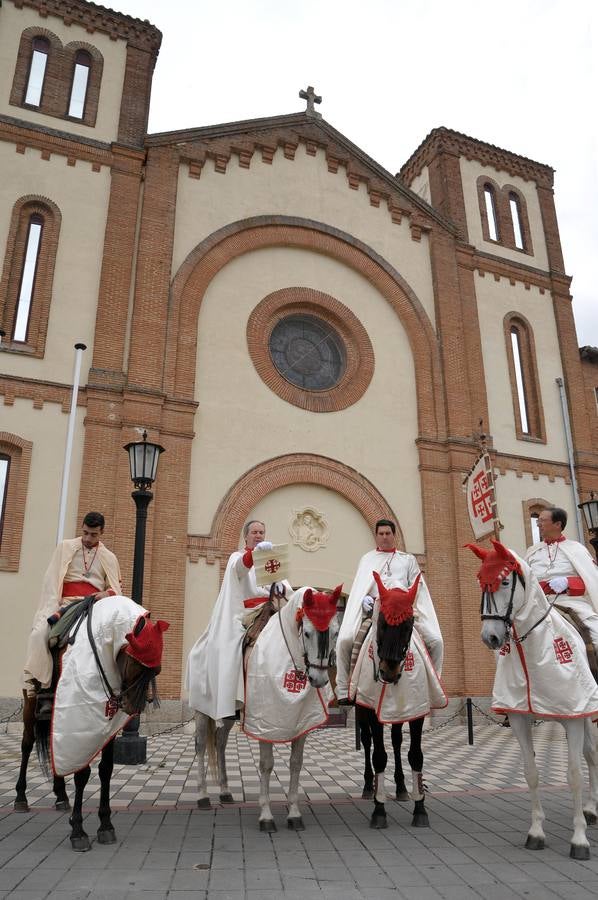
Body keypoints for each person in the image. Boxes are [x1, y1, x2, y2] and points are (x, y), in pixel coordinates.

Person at [186, 520, 290, 722]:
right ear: (246, 536)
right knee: (231, 647)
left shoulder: (271, 557)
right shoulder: (238, 556)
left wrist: (280, 589)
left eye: (262, 532)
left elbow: (285, 587)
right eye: (254, 532)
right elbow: (239, 569)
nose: (258, 535)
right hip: (246, 613)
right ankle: (232, 698)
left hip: (272, 609)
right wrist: (253, 555)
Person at [336, 519, 444, 704]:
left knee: (436, 641)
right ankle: (344, 689)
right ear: (376, 536)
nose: (384, 537)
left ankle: (432, 687)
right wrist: (364, 599)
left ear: (394, 536)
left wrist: (408, 602)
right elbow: (360, 588)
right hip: (376, 612)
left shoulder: (407, 560)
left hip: (404, 613)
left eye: (388, 533)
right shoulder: (367, 559)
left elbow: (418, 587)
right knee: (344, 639)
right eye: (381, 534)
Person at [23, 511, 122, 697]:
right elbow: (51, 580)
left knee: (119, 642)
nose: (87, 538)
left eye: (93, 534)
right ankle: (40, 684)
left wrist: (105, 593)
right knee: (39, 634)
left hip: (93, 606)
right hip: (65, 604)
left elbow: (115, 589)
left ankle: (116, 690)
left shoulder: (109, 557)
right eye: (85, 532)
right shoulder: (65, 547)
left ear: (102, 532)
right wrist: (53, 605)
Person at [525, 507, 598, 654]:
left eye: (542, 521)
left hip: (571, 603)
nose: (538, 524)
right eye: (537, 521)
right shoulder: (532, 552)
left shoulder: (576, 549)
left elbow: (592, 581)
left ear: (557, 524)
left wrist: (568, 583)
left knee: (596, 637)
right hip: (540, 605)